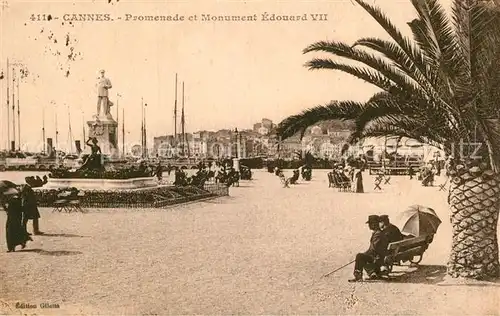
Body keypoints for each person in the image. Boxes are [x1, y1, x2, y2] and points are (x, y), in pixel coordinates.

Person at [349, 215, 389, 282]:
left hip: (378, 258)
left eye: (370, 224)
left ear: (374, 224)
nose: (369, 226)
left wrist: (365, 254)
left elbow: (374, 249)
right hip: (380, 257)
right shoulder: (380, 233)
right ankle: (372, 273)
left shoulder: (378, 234)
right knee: (362, 256)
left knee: (359, 256)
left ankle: (358, 276)